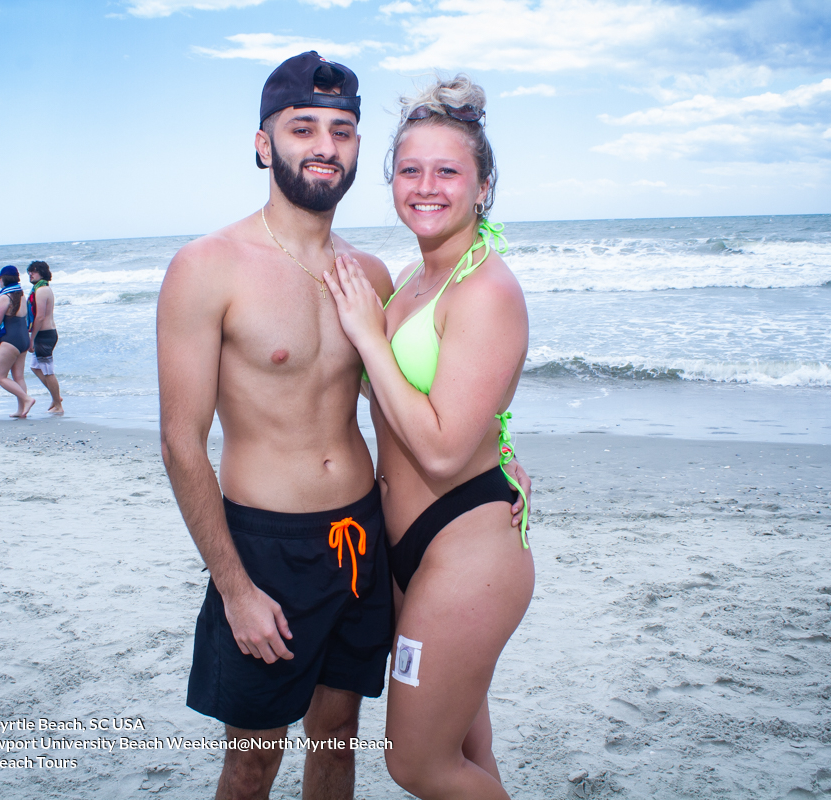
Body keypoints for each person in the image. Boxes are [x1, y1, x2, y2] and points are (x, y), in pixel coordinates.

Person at [156, 53, 529, 800]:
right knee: (252, 762)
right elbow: (180, 441)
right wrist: (233, 587)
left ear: (359, 149)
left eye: (343, 130)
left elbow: (418, 401)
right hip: (268, 547)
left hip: (363, 546)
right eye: (303, 128)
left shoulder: (372, 278)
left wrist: (501, 462)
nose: (324, 145)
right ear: (265, 144)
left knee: (338, 748)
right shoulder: (207, 267)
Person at [323, 75, 533, 800]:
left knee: (416, 763)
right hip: (407, 548)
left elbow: (442, 448)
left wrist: (365, 337)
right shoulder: (416, 276)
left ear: (483, 186)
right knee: (468, 746)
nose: (426, 186)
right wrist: (506, 448)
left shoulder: (486, 289)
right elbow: (461, 401)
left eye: (448, 171)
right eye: (410, 169)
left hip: (466, 552)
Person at [0, 265, 35, 419]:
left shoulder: (4, 297)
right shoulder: (21, 296)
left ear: (4, 278)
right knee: (18, 377)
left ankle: (27, 399)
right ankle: (22, 410)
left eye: (0, 278)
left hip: (10, 340)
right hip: (23, 340)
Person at [26, 260, 63, 414]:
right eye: (29, 272)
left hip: (44, 334)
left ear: (41, 272)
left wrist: (31, 339)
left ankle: (58, 405)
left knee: (48, 371)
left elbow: (40, 317)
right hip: (45, 333)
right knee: (35, 367)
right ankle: (56, 397)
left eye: (33, 271)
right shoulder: (41, 288)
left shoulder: (41, 290)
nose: (30, 274)